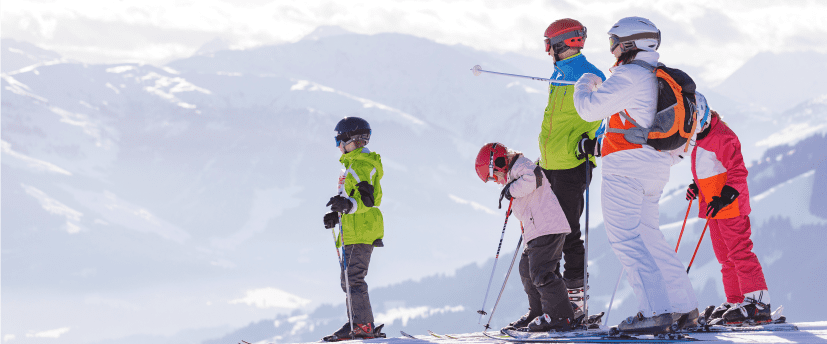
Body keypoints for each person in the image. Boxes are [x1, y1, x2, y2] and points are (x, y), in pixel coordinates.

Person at [571, 17, 699, 333]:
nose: (611, 48)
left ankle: (655, 312)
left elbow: (588, 109)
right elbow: (633, 127)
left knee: (626, 239)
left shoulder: (629, 76)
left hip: (625, 171)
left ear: (629, 44)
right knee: (650, 237)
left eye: (613, 41)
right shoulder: (658, 78)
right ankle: (684, 308)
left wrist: (584, 83)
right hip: (654, 168)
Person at [536, 18, 607, 324]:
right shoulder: (560, 74)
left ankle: (574, 302)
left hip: (572, 166)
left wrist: (592, 143)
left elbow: (609, 116)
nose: (547, 50)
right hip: (551, 165)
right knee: (546, 233)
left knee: (568, 233)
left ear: (561, 43)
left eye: (548, 44)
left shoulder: (591, 76)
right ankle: (553, 305)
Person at [685, 95, 772, 325]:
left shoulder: (722, 136)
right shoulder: (701, 137)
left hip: (730, 207)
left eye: (692, 122)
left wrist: (726, 196)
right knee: (725, 258)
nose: (690, 129)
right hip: (715, 208)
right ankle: (736, 301)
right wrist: (697, 187)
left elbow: (737, 170)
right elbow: (710, 170)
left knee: (740, 252)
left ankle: (758, 302)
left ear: (702, 115)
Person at [475, 143, 574, 332]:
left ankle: (560, 316)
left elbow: (534, 178)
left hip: (547, 228)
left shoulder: (521, 166)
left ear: (499, 163)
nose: (496, 181)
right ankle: (538, 312)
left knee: (541, 272)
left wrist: (511, 190)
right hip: (537, 231)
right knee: (527, 270)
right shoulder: (514, 173)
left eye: (493, 176)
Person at [322, 117, 386, 341]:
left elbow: (367, 200)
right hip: (355, 228)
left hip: (362, 230)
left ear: (350, 140)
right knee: (348, 279)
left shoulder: (361, 164)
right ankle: (357, 322)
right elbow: (353, 199)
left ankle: (362, 325)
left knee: (353, 278)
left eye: (339, 140)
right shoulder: (352, 163)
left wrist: (348, 206)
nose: (338, 146)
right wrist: (338, 214)